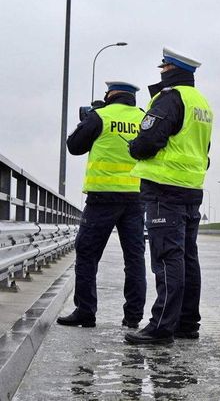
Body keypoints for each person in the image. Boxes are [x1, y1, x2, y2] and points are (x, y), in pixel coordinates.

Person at [125, 47, 213, 345]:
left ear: (168, 70)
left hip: (165, 187)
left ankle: (161, 326)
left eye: (161, 67)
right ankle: (187, 324)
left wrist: (134, 148)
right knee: (188, 257)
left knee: (166, 257)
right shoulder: (201, 102)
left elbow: (149, 139)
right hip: (191, 187)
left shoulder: (170, 98)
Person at [57, 82, 146, 329]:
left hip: (102, 199)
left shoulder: (101, 116)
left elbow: (74, 146)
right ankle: (133, 317)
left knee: (87, 253)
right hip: (135, 198)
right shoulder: (143, 118)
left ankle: (85, 312)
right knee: (135, 258)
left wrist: (87, 120)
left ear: (110, 95)